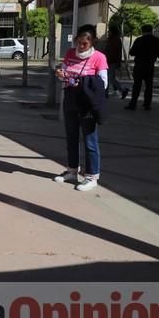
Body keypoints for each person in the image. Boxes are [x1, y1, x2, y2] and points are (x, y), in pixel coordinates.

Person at [54, 24, 109, 192]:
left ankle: (92, 176)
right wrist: (60, 73)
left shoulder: (99, 57)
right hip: (70, 99)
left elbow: (103, 83)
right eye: (78, 42)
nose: (80, 46)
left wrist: (84, 83)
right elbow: (64, 69)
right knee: (71, 137)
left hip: (87, 103)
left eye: (84, 43)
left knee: (90, 140)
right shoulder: (70, 53)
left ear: (92, 42)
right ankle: (72, 170)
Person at [125, 24, 159, 111]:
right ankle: (147, 104)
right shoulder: (156, 40)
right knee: (149, 86)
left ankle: (133, 104)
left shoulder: (139, 40)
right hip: (150, 65)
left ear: (142, 31)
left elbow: (132, 52)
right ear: (151, 30)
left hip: (139, 65)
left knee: (137, 85)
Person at [103, 26, 128, 99]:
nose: (108, 33)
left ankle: (123, 89)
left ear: (112, 32)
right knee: (109, 77)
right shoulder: (112, 40)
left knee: (109, 78)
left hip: (111, 62)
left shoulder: (115, 40)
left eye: (109, 31)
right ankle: (106, 93)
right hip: (111, 61)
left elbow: (112, 52)